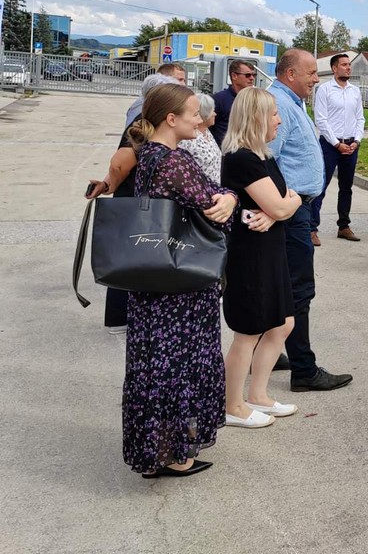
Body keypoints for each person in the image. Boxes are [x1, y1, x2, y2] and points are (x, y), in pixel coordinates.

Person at [123, 83, 238, 478]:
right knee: (180, 366)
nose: (201, 120)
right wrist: (232, 198)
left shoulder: (150, 156)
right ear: (171, 119)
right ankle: (176, 454)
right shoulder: (174, 161)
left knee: (154, 366)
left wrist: (224, 196)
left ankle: (155, 450)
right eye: (193, 113)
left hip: (153, 284)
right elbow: (212, 202)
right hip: (181, 286)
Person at [268, 49, 352, 392]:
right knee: (298, 288)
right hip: (290, 211)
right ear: (290, 75)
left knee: (280, 285)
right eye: (311, 73)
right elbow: (268, 159)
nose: (316, 79)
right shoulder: (279, 105)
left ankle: (272, 352)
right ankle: (304, 369)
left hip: (293, 207)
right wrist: (284, 201)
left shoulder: (291, 100)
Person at [221, 87, 302, 427]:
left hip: (270, 250)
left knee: (283, 323)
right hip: (250, 256)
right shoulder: (241, 158)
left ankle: (258, 395)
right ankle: (232, 405)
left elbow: (291, 197)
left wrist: (276, 212)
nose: (278, 120)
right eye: (272, 114)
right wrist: (280, 208)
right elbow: (284, 201)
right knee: (248, 332)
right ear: (255, 118)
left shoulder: (263, 156)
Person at [89, 73, 180, 333]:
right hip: (133, 198)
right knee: (129, 257)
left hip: (138, 197)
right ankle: (120, 318)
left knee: (134, 255)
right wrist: (112, 184)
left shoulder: (149, 119)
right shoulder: (144, 122)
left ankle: (125, 317)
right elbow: (121, 159)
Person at [311, 53, 365, 246]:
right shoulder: (324, 90)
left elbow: (360, 118)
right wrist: (336, 143)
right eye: (344, 65)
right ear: (334, 68)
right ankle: (312, 228)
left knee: (346, 188)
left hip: (351, 145)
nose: (348, 68)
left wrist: (356, 141)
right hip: (330, 145)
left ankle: (344, 226)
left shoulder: (355, 92)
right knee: (320, 186)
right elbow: (321, 120)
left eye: (349, 64)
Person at [178, 92, 222, 183]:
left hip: (214, 190)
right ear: (204, 114)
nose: (215, 114)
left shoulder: (207, 132)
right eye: (212, 111)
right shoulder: (189, 138)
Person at [211, 59, 257, 145]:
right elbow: (207, 126)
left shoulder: (253, 100)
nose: (252, 78)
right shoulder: (219, 100)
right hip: (225, 152)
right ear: (234, 76)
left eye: (254, 75)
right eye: (247, 75)